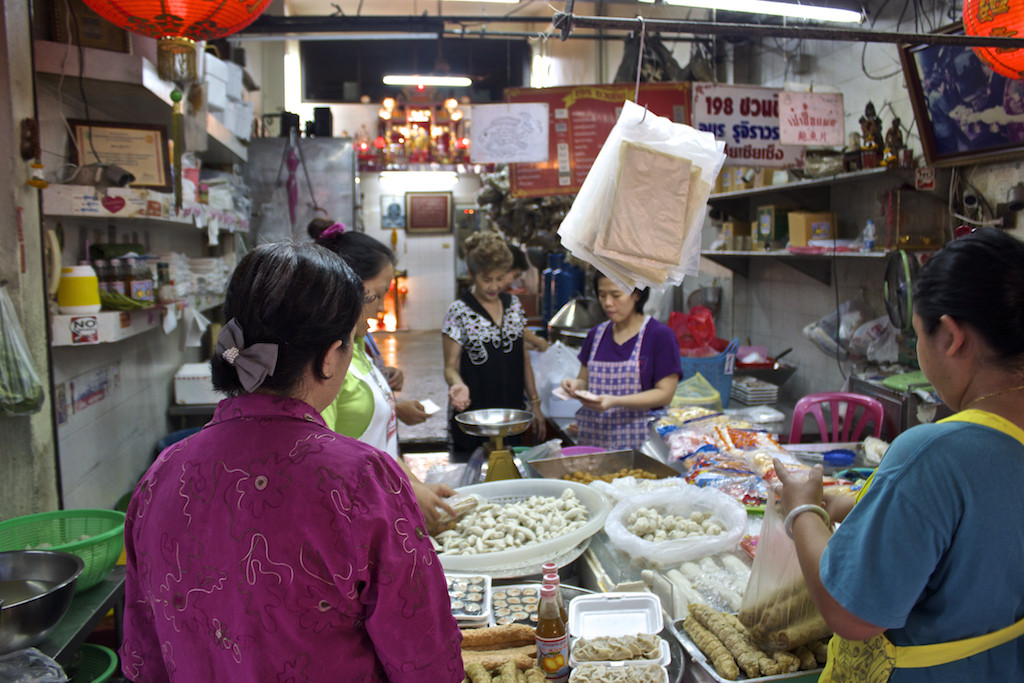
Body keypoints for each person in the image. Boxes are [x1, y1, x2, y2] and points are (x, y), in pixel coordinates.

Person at [120, 242, 463, 682]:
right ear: (329, 356)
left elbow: (144, 660)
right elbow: (424, 657)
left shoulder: (159, 477)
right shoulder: (360, 479)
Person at [775, 228, 1024, 681]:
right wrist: (857, 505)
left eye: (917, 336)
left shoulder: (938, 452)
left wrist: (804, 509)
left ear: (951, 335)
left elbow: (852, 615)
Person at [309, 219, 455, 524]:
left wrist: (416, 487)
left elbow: (381, 447)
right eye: (374, 296)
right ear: (341, 291)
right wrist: (405, 493)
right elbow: (322, 463)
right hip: (357, 519)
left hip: (383, 513)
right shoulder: (323, 367)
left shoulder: (357, 348)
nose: (381, 308)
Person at [443, 232, 545, 462]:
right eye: (486, 278)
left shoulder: (514, 306)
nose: (494, 286)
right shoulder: (459, 312)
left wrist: (535, 403)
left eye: (500, 278)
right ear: (471, 274)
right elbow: (450, 366)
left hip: (510, 411)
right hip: (473, 414)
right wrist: (458, 385)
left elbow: (524, 358)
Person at [561, 273, 681, 451]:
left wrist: (615, 401)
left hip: (643, 445)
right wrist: (575, 385)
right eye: (602, 295)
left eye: (616, 295)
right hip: (594, 440)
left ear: (636, 295)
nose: (608, 303)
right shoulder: (596, 335)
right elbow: (583, 380)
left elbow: (665, 393)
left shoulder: (659, 336)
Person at [505, 243, 548, 352]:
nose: (513, 281)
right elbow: (516, 326)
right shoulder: (502, 299)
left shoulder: (508, 298)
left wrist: (528, 344)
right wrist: (539, 342)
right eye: (515, 276)